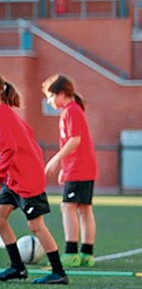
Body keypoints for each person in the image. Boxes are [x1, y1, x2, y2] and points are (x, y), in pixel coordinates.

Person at [0, 72, 68, 284]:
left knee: (36, 226)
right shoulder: (5, 112)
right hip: (16, 178)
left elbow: (9, 149)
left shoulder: (2, 114)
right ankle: (17, 267)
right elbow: (28, 135)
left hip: (27, 179)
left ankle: (59, 272)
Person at [42, 75, 98, 268]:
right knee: (83, 209)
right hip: (81, 166)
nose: (49, 101)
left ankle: (72, 252)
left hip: (79, 167)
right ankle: (87, 254)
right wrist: (64, 167)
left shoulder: (71, 110)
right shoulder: (72, 110)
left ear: (62, 94)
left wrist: (56, 159)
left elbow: (75, 140)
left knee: (68, 207)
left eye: (50, 97)